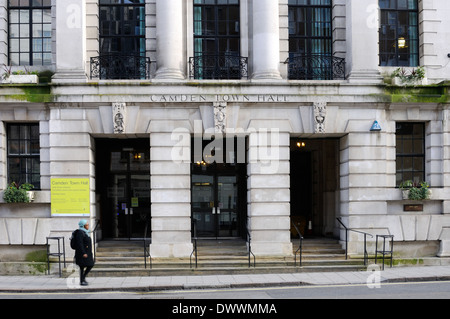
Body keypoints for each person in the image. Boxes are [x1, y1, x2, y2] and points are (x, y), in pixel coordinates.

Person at [74, 220, 95, 286]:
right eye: (86, 225)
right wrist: (83, 253)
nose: (88, 226)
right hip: (82, 254)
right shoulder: (80, 233)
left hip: (87, 252)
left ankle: (83, 278)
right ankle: (82, 280)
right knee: (82, 267)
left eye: (88, 225)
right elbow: (80, 244)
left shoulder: (85, 232)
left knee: (90, 264)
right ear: (83, 226)